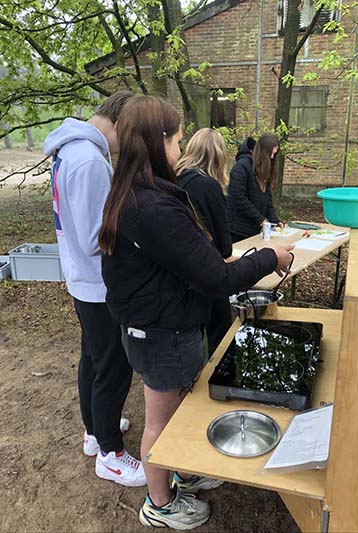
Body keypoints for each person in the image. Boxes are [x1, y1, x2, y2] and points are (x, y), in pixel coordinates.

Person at [99, 95, 294, 530]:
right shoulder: (151, 206)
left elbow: (194, 262)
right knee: (160, 421)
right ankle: (160, 503)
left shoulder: (139, 191)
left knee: (181, 410)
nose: (180, 148)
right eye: (176, 139)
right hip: (160, 335)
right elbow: (216, 278)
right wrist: (268, 257)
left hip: (166, 327)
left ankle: (183, 473)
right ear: (157, 141)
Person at [43, 91, 146, 487]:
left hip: (81, 278)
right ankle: (111, 454)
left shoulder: (71, 150)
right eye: (131, 133)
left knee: (94, 358)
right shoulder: (89, 160)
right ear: (118, 123)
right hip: (98, 283)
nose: (128, 145)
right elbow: (93, 236)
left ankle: (95, 431)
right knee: (113, 367)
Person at [176, 127, 232, 356]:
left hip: (178, 271)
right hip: (207, 272)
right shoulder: (208, 186)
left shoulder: (174, 178)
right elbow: (224, 245)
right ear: (219, 155)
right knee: (219, 334)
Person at [227, 133, 284, 243]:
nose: (272, 157)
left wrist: (274, 220)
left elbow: (267, 199)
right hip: (237, 229)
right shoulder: (242, 166)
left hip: (254, 229)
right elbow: (238, 197)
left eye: (274, 154)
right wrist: (260, 219)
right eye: (271, 154)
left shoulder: (263, 169)